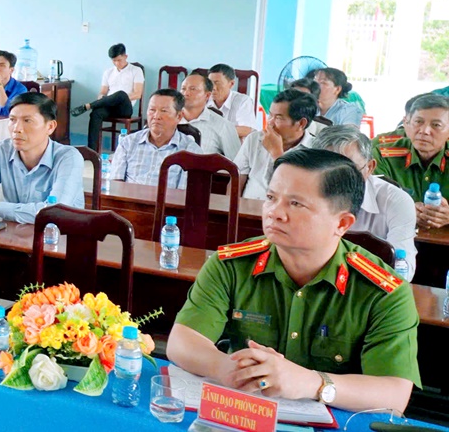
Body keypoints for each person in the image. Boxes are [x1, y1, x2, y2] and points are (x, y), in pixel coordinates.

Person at [167, 149, 419, 414]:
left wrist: (311, 383)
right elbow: (182, 341)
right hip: (246, 411)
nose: (275, 212)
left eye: (296, 204)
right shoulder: (231, 265)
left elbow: (394, 394)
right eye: (271, 198)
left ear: (342, 223)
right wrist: (229, 368)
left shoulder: (384, 291)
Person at [0, 92, 84, 229]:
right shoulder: (1, 150)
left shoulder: (69, 158)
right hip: (17, 234)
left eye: (27, 121)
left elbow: (54, 213)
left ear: (50, 127)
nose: (17, 129)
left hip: (61, 236)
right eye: (12, 120)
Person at [312, 125, 417, 278]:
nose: (337, 178)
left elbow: (401, 271)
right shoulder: (299, 196)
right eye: (327, 168)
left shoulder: (396, 201)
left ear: (369, 168)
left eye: (348, 169)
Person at [373, 94, 449, 229]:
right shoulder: (382, 156)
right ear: (406, 124)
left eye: (436, 125)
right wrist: (403, 210)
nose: (424, 131)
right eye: (418, 122)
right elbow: (370, 200)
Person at [234, 88, 317, 200]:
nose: (270, 123)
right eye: (270, 115)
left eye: (278, 118)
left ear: (301, 123)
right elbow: (236, 180)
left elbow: (299, 191)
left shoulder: (315, 150)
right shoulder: (254, 139)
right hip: (246, 207)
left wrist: (276, 153)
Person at [109, 89, 199, 189]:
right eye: (152, 110)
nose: (156, 116)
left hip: (168, 199)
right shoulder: (128, 143)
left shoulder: (191, 151)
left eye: (164, 111)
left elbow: (184, 194)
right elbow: (115, 185)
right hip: (127, 199)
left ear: (179, 116)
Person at [71, 43, 145, 151]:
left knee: (121, 94)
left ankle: (88, 106)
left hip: (124, 108)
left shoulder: (136, 70)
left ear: (125, 56)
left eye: (119, 60)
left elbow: (137, 93)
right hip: (109, 106)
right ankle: (92, 152)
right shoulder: (108, 72)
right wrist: (102, 98)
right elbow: (102, 92)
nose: (116, 63)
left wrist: (117, 98)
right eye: (114, 61)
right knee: (96, 113)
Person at [179, 73, 241, 159]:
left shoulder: (223, 126)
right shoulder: (168, 120)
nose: (186, 93)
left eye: (193, 89)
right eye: (183, 89)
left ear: (207, 95)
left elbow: (237, 163)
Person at [207, 64, 261, 138]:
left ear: (231, 84)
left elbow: (247, 129)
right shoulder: (203, 99)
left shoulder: (243, 101)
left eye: (217, 83)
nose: (213, 88)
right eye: (210, 83)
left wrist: (218, 131)